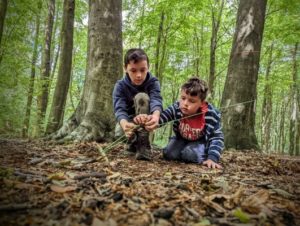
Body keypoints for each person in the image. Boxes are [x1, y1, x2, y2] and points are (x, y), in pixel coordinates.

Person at [143, 77, 224, 168]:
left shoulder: (210, 114)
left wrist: (212, 158)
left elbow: (217, 137)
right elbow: (164, 117)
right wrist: (153, 120)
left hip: (199, 141)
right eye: (183, 98)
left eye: (191, 101)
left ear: (202, 103)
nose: (185, 103)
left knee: (189, 154)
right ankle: (184, 150)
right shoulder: (177, 107)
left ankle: (199, 152)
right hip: (181, 138)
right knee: (169, 154)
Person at [112, 48, 163, 160]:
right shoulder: (120, 86)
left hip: (147, 121)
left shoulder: (153, 82)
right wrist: (125, 124)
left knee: (142, 97)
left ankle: (144, 146)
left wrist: (155, 116)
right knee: (119, 132)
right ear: (125, 68)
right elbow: (119, 108)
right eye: (133, 71)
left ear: (148, 68)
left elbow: (156, 99)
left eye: (143, 70)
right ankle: (133, 143)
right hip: (130, 121)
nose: (139, 75)